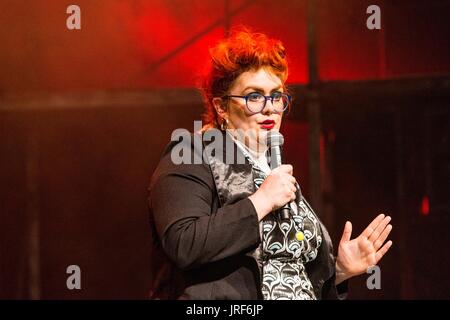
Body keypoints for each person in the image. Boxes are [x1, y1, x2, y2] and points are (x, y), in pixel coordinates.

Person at [147, 27, 393, 300]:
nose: (270, 107)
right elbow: (184, 243)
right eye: (254, 96)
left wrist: (340, 270)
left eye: (276, 96)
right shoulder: (192, 152)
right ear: (221, 107)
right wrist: (260, 202)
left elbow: (290, 275)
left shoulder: (274, 172)